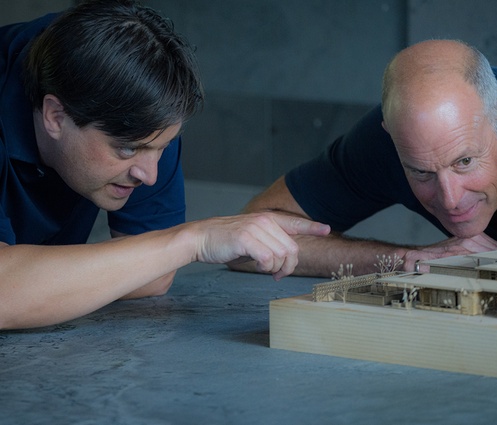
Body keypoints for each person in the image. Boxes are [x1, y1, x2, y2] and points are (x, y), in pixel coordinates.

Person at [0, 0, 330, 330]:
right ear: (55, 117)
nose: (151, 175)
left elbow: (152, 279)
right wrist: (192, 241)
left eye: (162, 147)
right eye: (127, 149)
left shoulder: (147, 108)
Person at [239, 38, 497, 283]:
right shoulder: (396, 136)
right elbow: (248, 241)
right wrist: (407, 261)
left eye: (465, 161)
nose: (449, 198)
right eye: (421, 172)